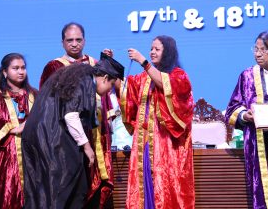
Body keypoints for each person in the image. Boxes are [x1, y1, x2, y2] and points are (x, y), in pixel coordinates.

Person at [22, 53, 124, 209]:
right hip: (52, 139)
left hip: (40, 137)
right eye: (111, 86)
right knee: (64, 188)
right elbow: (71, 116)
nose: (109, 91)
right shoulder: (85, 81)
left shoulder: (77, 75)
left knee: (44, 190)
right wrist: (87, 146)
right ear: (104, 78)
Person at [39, 22, 118, 207]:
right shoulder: (54, 66)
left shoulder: (94, 63)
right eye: (70, 40)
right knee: (74, 192)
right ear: (62, 42)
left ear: (84, 40)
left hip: (97, 134)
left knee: (99, 188)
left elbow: (106, 94)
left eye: (78, 40)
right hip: (68, 139)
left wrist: (108, 64)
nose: (74, 44)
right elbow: (48, 104)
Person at [119, 36, 195, 208]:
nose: (152, 52)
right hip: (144, 143)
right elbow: (126, 92)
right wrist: (109, 65)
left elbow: (165, 85)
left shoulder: (179, 76)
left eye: (157, 49)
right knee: (145, 189)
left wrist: (144, 62)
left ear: (167, 52)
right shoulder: (143, 78)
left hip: (166, 147)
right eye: (151, 48)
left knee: (165, 190)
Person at [225, 31, 268, 208]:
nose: (258, 53)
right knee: (260, 192)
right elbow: (232, 108)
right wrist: (244, 115)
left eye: (264, 49)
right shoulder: (246, 76)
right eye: (256, 49)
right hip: (257, 144)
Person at [0, 53, 37, 209]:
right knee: (5, 198)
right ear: (5, 72)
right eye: (15, 68)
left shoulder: (34, 95)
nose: (21, 71)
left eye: (23, 68)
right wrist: (15, 128)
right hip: (4, 156)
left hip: (32, 155)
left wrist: (30, 125)